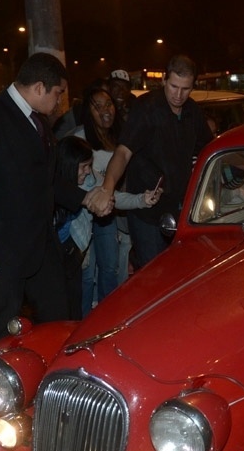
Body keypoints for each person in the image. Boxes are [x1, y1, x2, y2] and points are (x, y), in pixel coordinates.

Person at [0, 53, 104, 353]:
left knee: (59, 319)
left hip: (41, 245)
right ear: (38, 87)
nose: (60, 101)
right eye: (58, 93)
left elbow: (44, 180)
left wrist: (84, 197)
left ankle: (56, 385)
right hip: (0, 249)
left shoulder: (39, 122)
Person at [87, 55, 211, 269]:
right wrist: (107, 188)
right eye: (174, 86)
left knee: (179, 271)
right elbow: (123, 152)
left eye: (185, 89)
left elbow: (209, 149)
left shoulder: (192, 111)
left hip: (181, 210)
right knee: (152, 273)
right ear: (164, 79)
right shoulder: (146, 108)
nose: (179, 95)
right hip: (148, 212)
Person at [53, 136, 161, 317]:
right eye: (83, 166)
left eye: (89, 165)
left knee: (77, 299)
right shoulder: (50, 183)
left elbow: (113, 196)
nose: (88, 172)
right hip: (51, 254)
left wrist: (142, 199)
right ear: (69, 165)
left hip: (74, 252)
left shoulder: (90, 180)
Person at [73, 85, 123, 316]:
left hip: (109, 213)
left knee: (110, 268)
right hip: (83, 216)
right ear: (87, 111)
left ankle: (106, 317)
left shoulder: (120, 138)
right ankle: (82, 324)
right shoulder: (79, 138)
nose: (105, 110)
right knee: (86, 274)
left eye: (108, 104)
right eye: (97, 106)